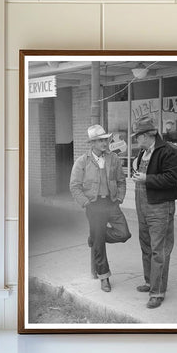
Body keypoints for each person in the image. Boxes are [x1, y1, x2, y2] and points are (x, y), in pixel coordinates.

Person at [70, 124, 131, 292]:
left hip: (111, 203)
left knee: (124, 233)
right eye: (100, 140)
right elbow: (74, 186)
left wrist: (119, 198)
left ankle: (95, 238)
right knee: (99, 244)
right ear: (92, 143)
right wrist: (87, 203)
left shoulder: (113, 159)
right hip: (94, 205)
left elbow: (121, 181)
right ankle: (104, 277)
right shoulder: (82, 161)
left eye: (105, 139)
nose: (105, 142)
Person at [132, 116, 177, 309]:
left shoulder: (169, 152)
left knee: (158, 249)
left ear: (149, 134)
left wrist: (146, 178)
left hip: (160, 206)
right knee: (145, 244)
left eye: (138, 136)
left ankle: (158, 292)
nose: (136, 139)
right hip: (142, 204)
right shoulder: (143, 152)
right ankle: (149, 282)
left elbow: (172, 179)